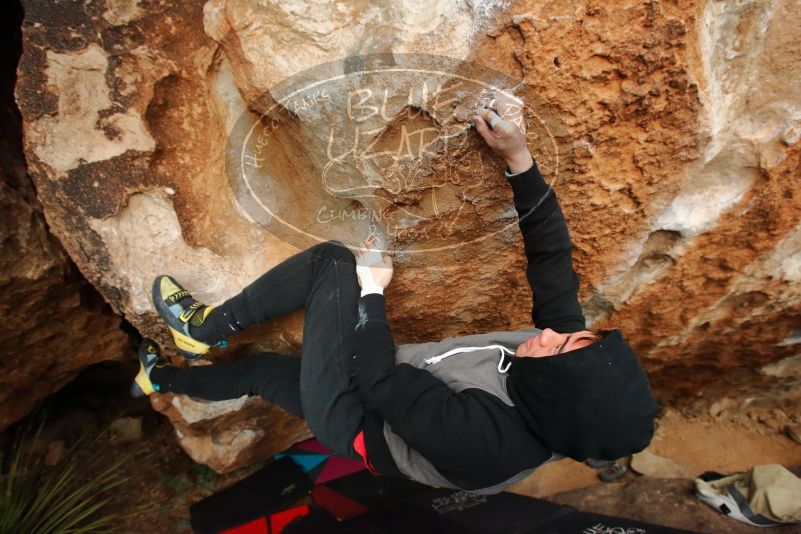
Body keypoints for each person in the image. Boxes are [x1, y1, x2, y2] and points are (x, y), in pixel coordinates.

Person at [131, 90, 657, 494]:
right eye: (569, 337)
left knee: (331, 262)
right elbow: (551, 260)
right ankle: (157, 378)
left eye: (557, 347)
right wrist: (519, 158)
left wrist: (371, 291)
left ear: (556, 397)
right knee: (261, 374)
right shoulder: (557, 370)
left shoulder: (485, 443)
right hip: (384, 398)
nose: (547, 333)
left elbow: (377, 377)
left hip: (355, 413)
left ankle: (202, 328)